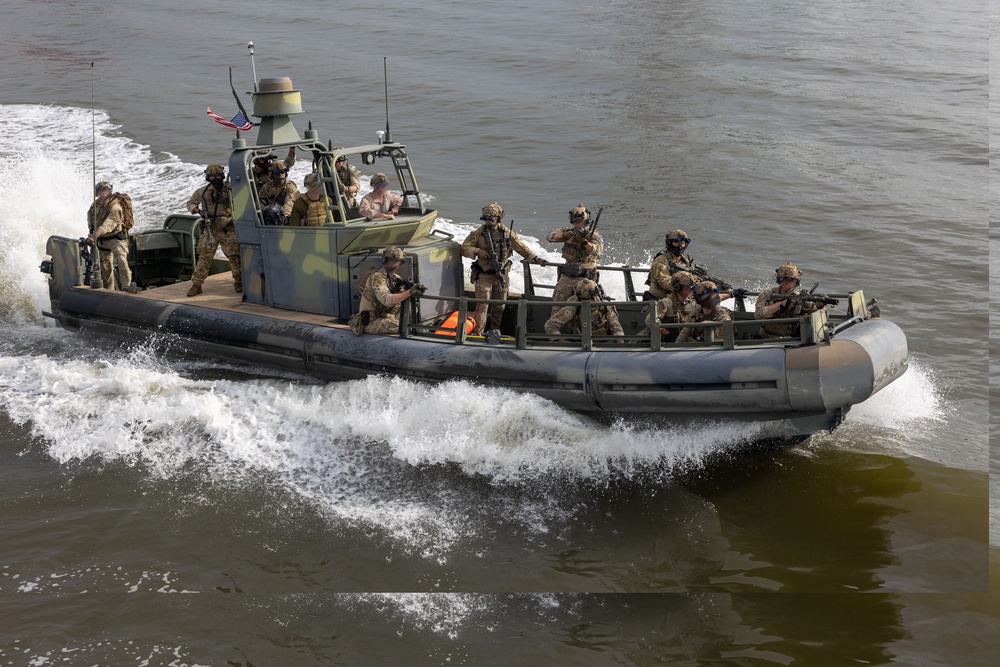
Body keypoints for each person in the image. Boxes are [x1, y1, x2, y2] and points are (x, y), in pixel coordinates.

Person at [460, 202, 547, 335]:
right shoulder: (478, 233)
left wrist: (536, 259)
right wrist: (477, 250)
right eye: (486, 219)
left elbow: (522, 248)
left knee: (499, 307)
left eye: (492, 219)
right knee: (482, 307)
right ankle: (477, 334)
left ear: (498, 218)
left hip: (501, 276)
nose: (489, 222)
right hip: (484, 276)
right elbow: (463, 248)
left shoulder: (507, 233)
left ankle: (495, 332)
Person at [185, 163, 241, 296]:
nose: (215, 180)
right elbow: (190, 203)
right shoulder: (203, 192)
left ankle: (239, 281)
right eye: (212, 177)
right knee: (205, 257)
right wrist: (197, 210)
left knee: (234, 256)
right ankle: (196, 284)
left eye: (218, 176)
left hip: (228, 227)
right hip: (211, 228)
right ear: (208, 178)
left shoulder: (231, 189)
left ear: (222, 176)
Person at [350, 246, 426, 335]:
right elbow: (386, 299)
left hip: (385, 316)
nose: (393, 263)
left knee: (413, 308)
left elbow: (400, 299)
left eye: (396, 261)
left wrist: (410, 288)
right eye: (391, 260)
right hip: (371, 322)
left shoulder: (395, 278)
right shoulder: (377, 277)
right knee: (402, 326)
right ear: (385, 261)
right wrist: (409, 292)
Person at [546, 204, 604, 316]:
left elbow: (597, 250)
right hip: (567, 278)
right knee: (557, 309)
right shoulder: (569, 232)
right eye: (575, 222)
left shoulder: (593, 235)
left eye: (580, 221)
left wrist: (585, 243)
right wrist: (568, 235)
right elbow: (550, 237)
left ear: (586, 221)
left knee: (585, 313)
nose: (577, 224)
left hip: (585, 279)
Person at [754, 263, 826, 339]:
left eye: (789, 280)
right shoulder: (768, 294)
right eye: (783, 279)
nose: (785, 283)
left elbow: (820, 316)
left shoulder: (799, 298)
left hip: (789, 340)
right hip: (765, 338)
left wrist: (820, 306)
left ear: (796, 282)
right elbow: (758, 315)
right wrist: (780, 305)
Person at [86, 181, 132, 290]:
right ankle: (110, 289)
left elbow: (108, 225)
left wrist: (94, 236)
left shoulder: (115, 206)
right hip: (102, 240)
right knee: (105, 268)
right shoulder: (94, 206)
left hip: (115, 238)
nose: (101, 193)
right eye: (99, 191)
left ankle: (127, 287)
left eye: (104, 190)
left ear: (109, 191)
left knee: (122, 261)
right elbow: (91, 222)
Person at [544, 279, 624, 341]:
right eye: (591, 298)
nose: (596, 300)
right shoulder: (573, 308)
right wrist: (563, 342)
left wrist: (619, 345)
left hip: (604, 342)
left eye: (597, 296)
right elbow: (550, 326)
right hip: (581, 344)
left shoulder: (605, 305)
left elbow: (616, 327)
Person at [639, 270, 696, 340]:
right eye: (688, 286)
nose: (691, 289)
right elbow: (650, 319)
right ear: (678, 287)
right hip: (660, 340)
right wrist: (666, 333)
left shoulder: (691, 303)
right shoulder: (666, 303)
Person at [258, 160, 298, 225]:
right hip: (270, 217)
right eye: (277, 172)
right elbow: (260, 202)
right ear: (271, 174)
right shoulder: (267, 187)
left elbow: (289, 205)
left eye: (283, 172)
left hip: (284, 219)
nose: (281, 175)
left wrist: (282, 218)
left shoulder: (290, 187)